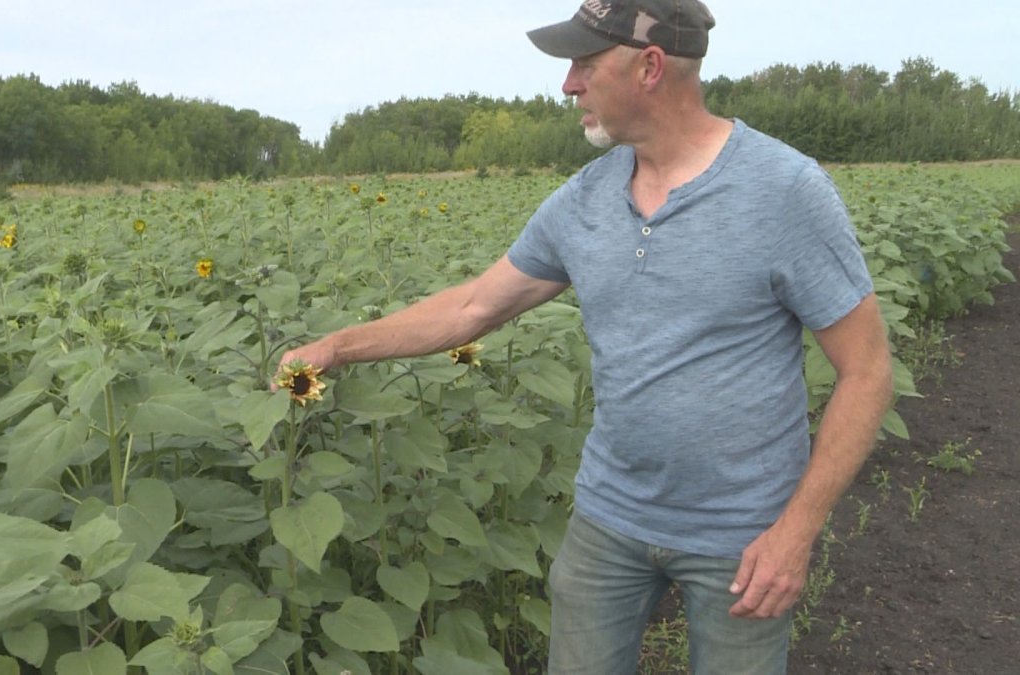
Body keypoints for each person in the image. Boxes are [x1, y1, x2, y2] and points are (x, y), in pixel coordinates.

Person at [277, 0, 895, 672]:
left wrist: (795, 532)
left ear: (650, 67)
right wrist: (338, 344)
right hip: (611, 519)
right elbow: (473, 307)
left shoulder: (784, 192)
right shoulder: (584, 199)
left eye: (585, 63)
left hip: (742, 535)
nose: (569, 83)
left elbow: (866, 370)